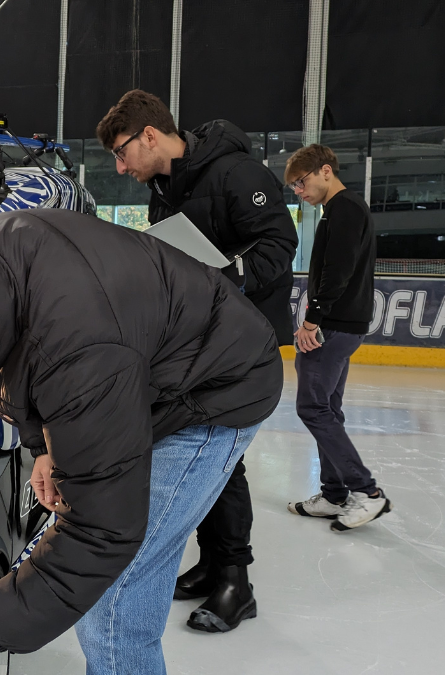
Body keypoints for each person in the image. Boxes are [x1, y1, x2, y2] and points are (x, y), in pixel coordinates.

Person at [0, 208, 283, 674]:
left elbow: (102, 533)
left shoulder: (81, 353)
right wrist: (44, 445)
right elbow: (18, 362)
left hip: (217, 389)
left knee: (114, 595)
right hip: (142, 367)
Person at [96, 89, 298, 632]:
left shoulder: (236, 173)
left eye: (121, 152)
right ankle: (214, 565)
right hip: (198, 343)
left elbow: (279, 243)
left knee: (220, 454)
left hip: (243, 342)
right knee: (206, 451)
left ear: (149, 136)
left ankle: (236, 581)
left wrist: (225, 280)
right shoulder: (163, 191)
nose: (120, 167)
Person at [283, 143, 392, 531]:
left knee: (313, 408)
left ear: (325, 171)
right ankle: (334, 494)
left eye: (302, 182)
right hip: (343, 324)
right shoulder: (340, 210)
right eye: (294, 187)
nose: (299, 192)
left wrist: (312, 320)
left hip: (334, 325)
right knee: (327, 407)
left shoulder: (345, 208)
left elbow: (338, 270)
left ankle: (366, 491)